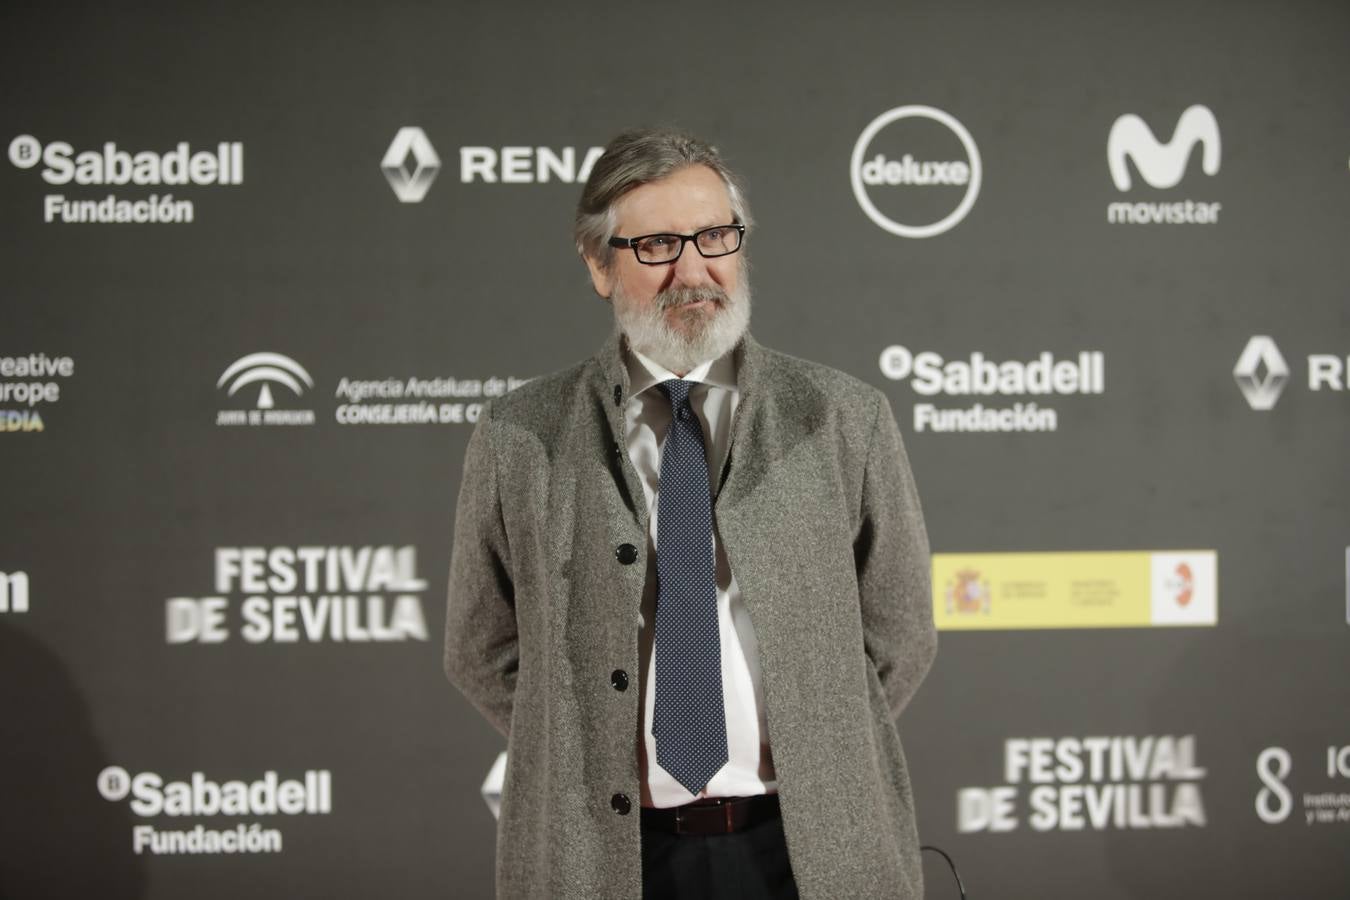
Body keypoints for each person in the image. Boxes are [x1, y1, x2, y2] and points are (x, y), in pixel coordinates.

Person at [444, 127, 937, 900]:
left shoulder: (843, 418)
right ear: (598, 265)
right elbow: (480, 646)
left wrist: (819, 737)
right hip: (606, 861)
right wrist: (585, 747)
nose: (694, 270)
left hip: (812, 855)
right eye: (658, 246)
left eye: (715, 236)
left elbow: (899, 631)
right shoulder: (520, 435)